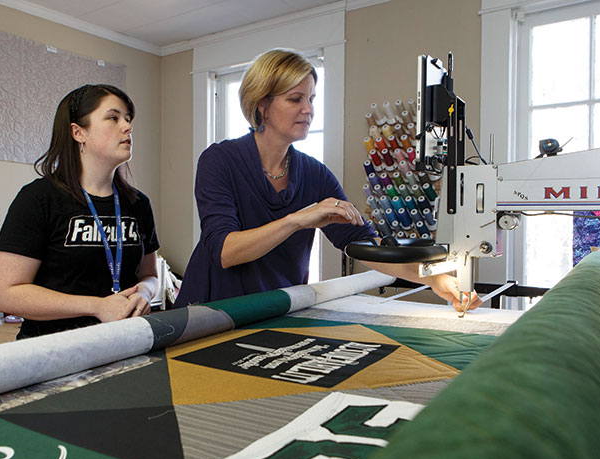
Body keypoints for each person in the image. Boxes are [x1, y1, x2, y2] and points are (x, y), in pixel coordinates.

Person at [175, 49, 479, 311]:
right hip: (214, 314)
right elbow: (225, 252)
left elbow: (363, 245)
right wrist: (298, 220)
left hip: (274, 312)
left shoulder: (315, 174)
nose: (308, 110)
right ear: (261, 105)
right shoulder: (219, 160)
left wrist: (435, 279)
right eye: (295, 99)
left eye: (311, 98)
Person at [0, 84, 160, 339]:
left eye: (128, 119)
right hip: (54, 351)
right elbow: (5, 293)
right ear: (78, 132)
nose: (127, 127)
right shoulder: (38, 199)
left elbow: (150, 276)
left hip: (124, 344)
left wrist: (144, 293)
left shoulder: (138, 204)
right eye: (113, 118)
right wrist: (97, 306)